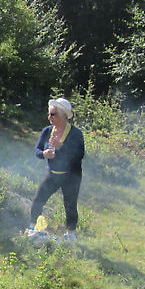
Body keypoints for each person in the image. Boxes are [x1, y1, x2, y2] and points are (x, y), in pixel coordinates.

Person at [30, 98, 85, 241]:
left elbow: (80, 155)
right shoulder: (47, 131)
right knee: (38, 199)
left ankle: (71, 234)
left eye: (53, 114)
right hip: (53, 174)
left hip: (71, 175)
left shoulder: (75, 133)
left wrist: (62, 147)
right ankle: (31, 227)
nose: (49, 117)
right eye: (49, 114)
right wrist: (44, 154)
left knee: (70, 204)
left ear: (63, 115)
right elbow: (37, 150)